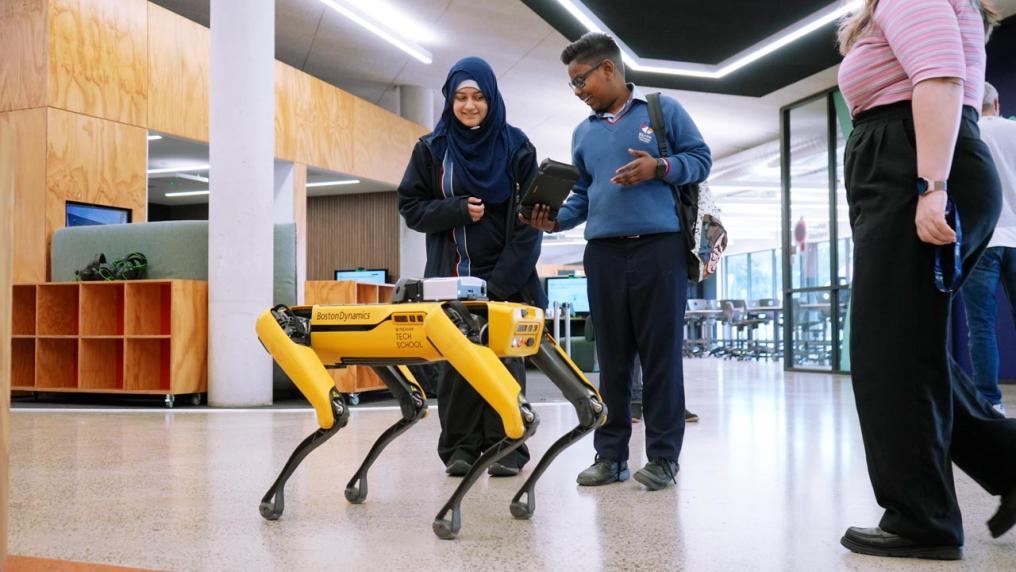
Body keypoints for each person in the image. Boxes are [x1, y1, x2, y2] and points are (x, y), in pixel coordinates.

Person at [837, 0, 1016, 560]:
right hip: (902, 162)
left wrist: (930, 187)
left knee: (889, 352)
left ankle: (923, 519)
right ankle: (1007, 462)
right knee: (905, 347)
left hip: (914, 162)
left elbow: (939, 77)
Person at [524, 33, 711, 491]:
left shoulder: (661, 112)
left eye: (581, 79)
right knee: (612, 360)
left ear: (608, 69)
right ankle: (610, 457)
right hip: (604, 254)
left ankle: (664, 458)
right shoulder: (583, 132)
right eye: (572, 84)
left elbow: (700, 159)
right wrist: (556, 221)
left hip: (659, 249)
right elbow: (586, 194)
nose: (578, 90)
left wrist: (659, 168)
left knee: (661, 357)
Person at [398, 56, 546, 478]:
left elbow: (529, 225)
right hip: (452, 280)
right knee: (458, 366)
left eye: (478, 97)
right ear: (449, 100)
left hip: (507, 280)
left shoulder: (517, 147)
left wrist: (500, 283)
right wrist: (457, 209)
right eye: (461, 97)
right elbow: (410, 208)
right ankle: (460, 449)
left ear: (492, 98)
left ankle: (507, 446)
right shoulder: (433, 149)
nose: (469, 106)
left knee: (504, 363)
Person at [962, 82, 1016, 416]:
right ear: (996, 102)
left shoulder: (966, 134)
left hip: (983, 239)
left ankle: (990, 402)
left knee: (981, 325)